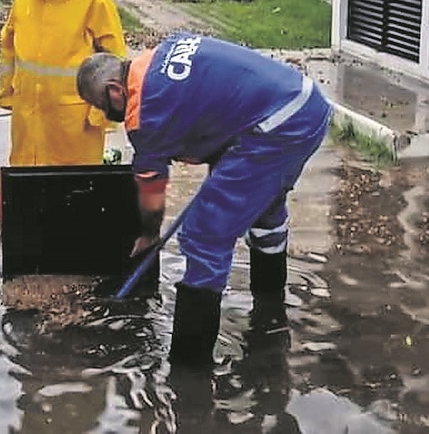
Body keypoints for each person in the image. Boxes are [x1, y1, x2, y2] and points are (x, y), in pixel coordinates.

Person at [75, 33, 333, 367]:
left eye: (102, 107)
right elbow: (215, 103)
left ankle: (188, 370)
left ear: (114, 91)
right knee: (264, 208)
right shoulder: (163, 52)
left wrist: (149, 236)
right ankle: (269, 315)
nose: (107, 114)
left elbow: (152, 191)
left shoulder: (145, 113)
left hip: (277, 126)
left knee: (203, 235)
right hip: (304, 105)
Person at [0, 0, 127, 167]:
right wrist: (7, 93)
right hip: (29, 116)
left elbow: (115, 59)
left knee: (73, 190)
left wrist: (102, 112)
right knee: (29, 185)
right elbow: (9, 44)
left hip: (74, 122)